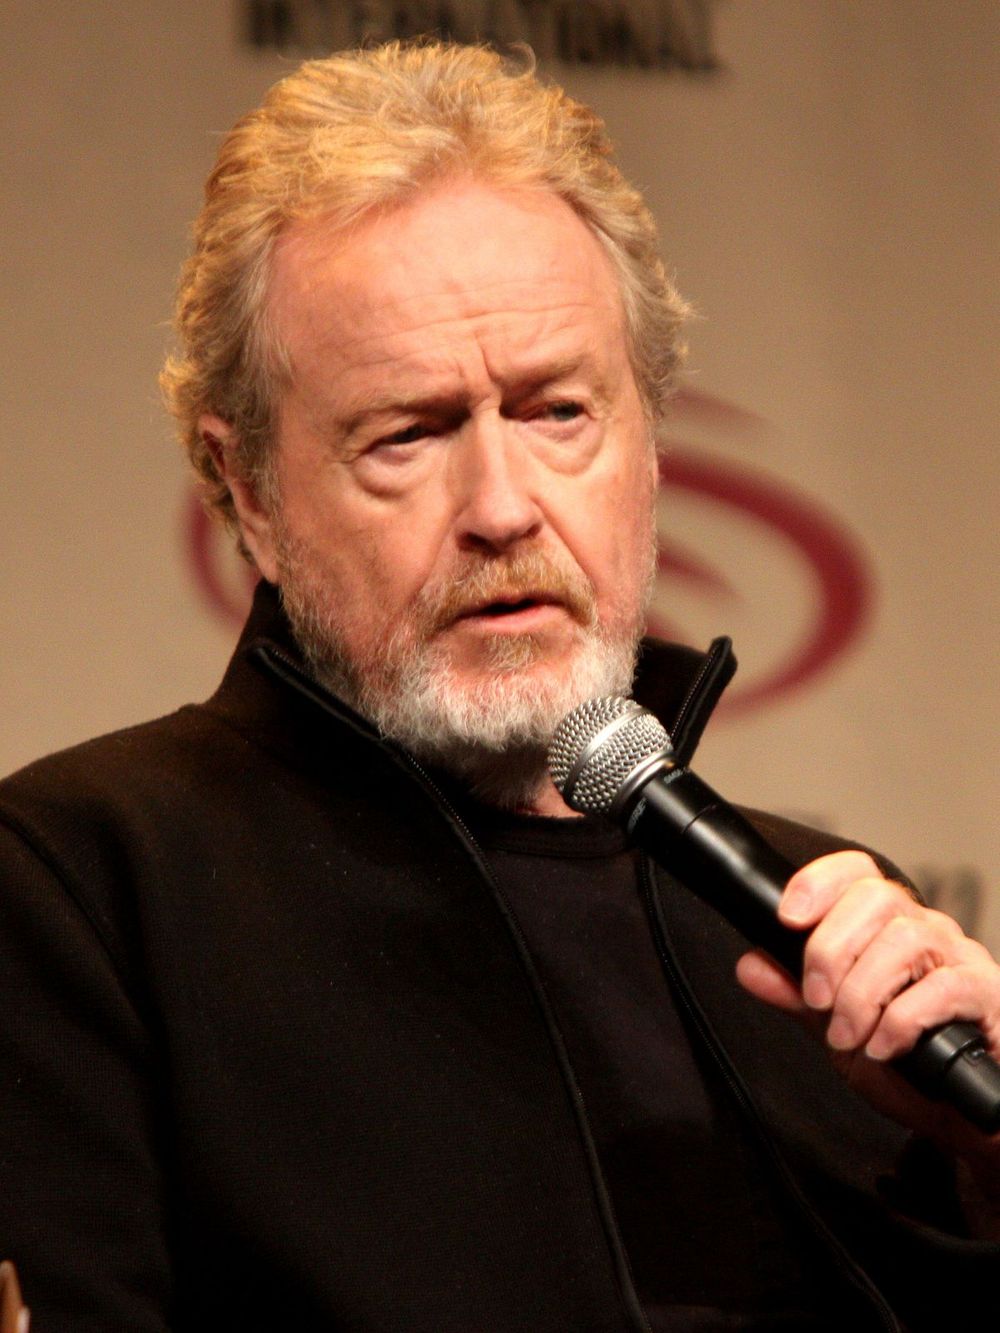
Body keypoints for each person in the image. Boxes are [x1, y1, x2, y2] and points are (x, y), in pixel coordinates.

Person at [1, 40, 998, 1332]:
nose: (503, 506)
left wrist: (986, 1181)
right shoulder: (80, 889)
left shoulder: (821, 935)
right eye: (409, 433)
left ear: (650, 444)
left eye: (557, 412)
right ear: (246, 492)